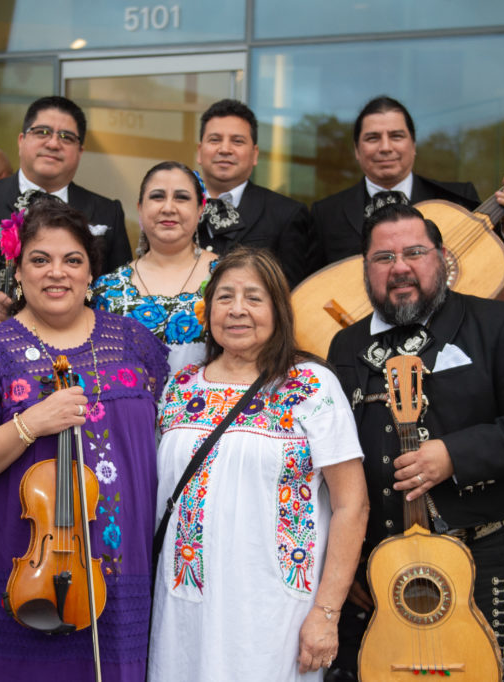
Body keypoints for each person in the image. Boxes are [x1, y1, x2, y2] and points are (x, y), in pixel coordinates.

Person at [324, 203, 504, 681]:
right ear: (365, 269)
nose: (399, 266)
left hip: (475, 560)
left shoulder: (502, 325)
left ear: (442, 257)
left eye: (414, 252)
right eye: (383, 257)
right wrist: (349, 558)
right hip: (373, 564)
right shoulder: (345, 346)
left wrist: (454, 455)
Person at [0, 197, 168, 681]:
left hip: (119, 563)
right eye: (39, 260)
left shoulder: (136, 344)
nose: (56, 273)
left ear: (91, 275)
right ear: (17, 272)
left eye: (72, 260)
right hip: (21, 566)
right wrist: (30, 424)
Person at [148, 247, 369, 681]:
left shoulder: (310, 386)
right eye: (224, 297)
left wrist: (326, 614)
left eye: (254, 297)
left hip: (275, 613)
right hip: (182, 607)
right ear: (207, 309)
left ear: (279, 310)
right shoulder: (179, 386)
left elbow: (352, 505)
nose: (237, 310)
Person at [0, 95, 132, 351]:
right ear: (21, 140)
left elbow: (120, 292)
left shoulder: (107, 212)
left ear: (80, 151)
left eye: (66, 137)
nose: (53, 143)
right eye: (42, 132)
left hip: (79, 363)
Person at [311, 95, 504, 274]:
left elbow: (492, 276)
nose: (385, 147)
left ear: (414, 145)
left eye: (396, 136)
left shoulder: (458, 200)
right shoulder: (325, 214)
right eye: (373, 138)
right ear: (357, 150)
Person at [92, 161, 218, 374]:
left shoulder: (226, 277)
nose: (168, 208)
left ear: (200, 209)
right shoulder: (107, 289)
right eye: (157, 196)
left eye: (182, 197)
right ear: (140, 208)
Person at [195, 99, 313, 288]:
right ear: (200, 152)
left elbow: (294, 295)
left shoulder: (286, 214)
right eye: (215, 140)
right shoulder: (177, 209)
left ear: (255, 154)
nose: (225, 149)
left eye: (237, 141)